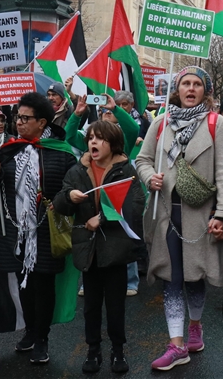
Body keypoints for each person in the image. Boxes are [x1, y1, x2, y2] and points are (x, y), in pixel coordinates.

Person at [134, 66, 223, 371]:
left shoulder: (218, 125)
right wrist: (150, 177)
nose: (190, 89)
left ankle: (195, 327)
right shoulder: (161, 123)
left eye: (196, 84)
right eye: (185, 84)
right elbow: (143, 159)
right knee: (171, 277)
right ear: (177, 89)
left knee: (194, 276)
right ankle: (177, 345)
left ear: (205, 91)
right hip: (165, 214)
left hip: (200, 216)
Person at [0, 92, 77, 365]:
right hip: (17, 231)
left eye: (25, 118)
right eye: (17, 118)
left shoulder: (61, 153)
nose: (18, 123)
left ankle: (42, 337)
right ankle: (29, 330)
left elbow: (70, 186)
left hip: (47, 230)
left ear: (42, 122)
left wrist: (59, 201)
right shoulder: (7, 150)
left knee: (43, 284)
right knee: (24, 283)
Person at [54, 120, 145, 374]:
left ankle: (118, 351)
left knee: (115, 306)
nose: (93, 142)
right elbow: (60, 202)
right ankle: (93, 350)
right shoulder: (78, 170)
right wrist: (69, 197)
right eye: (91, 138)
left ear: (113, 142)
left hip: (115, 249)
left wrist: (102, 218)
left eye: (100, 138)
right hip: (88, 249)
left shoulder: (126, 170)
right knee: (91, 306)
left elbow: (135, 205)